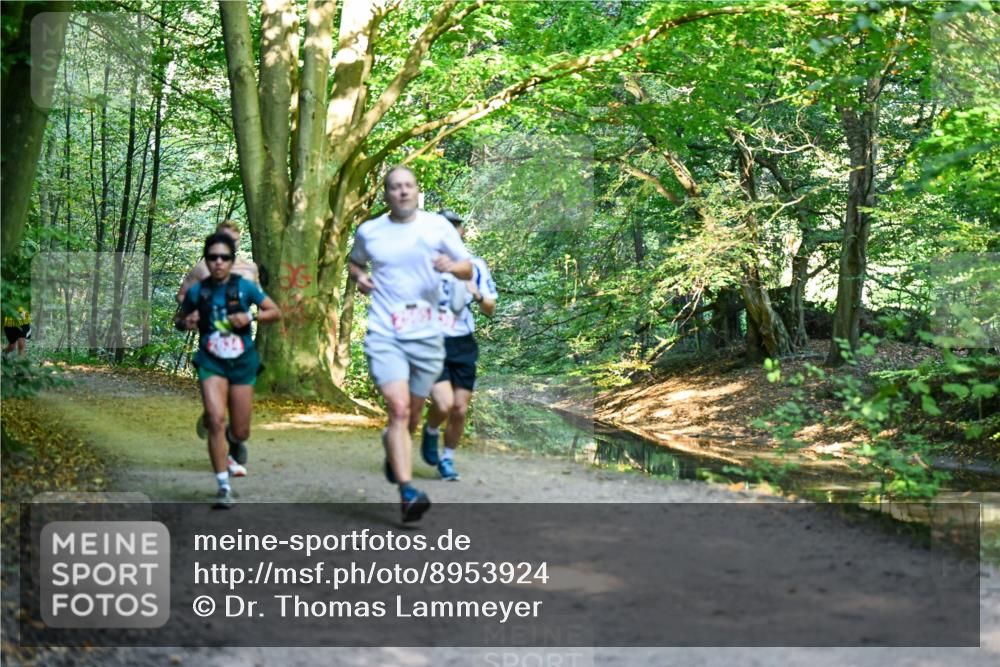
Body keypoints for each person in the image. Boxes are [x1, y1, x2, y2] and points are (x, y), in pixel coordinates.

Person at [348, 166, 472, 523]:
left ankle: (394, 445)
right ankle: (407, 492)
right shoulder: (370, 231)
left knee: (412, 416)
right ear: (386, 194)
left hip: (427, 336)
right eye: (395, 187)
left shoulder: (437, 228)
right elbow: (354, 264)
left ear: (417, 191)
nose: (402, 191)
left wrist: (452, 266)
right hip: (385, 332)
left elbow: (467, 268)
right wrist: (361, 278)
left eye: (408, 186)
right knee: (399, 409)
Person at [175, 233, 280, 508]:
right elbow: (180, 320)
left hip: (242, 362)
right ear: (207, 260)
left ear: (232, 261)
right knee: (215, 419)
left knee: (241, 430)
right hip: (211, 362)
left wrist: (251, 316)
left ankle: (234, 442)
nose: (218, 262)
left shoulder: (245, 287)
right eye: (213, 257)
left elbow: (274, 312)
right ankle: (223, 485)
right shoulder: (197, 292)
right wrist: (187, 321)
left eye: (224, 257)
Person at [177, 219, 261, 478]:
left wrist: (248, 315)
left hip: (240, 343)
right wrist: (194, 314)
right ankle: (215, 423)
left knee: (236, 399)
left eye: (233, 242)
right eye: (223, 239)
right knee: (218, 403)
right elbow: (182, 296)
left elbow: (259, 298)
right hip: (211, 343)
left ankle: (232, 438)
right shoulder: (202, 268)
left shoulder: (249, 269)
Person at [420, 210, 498, 481]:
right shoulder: (423, 263)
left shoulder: (475, 266)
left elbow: (490, 308)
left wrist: (477, 295)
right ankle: (431, 431)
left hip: (463, 342)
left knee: (460, 408)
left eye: (454, 227)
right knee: (443, 404)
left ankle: (447, 460)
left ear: (461, 232)